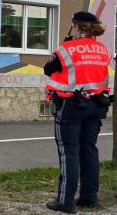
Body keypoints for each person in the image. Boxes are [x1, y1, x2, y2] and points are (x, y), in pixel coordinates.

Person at [44, 11, 112, 214]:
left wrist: (64, 45)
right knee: (89, 149)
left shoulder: (66, 49)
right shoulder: (102, 49)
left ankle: (65, 201)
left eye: (73, 25)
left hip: (71, 106)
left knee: (69, 152)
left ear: (78, 27)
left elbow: (48, 69)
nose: (72, 29)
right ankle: (89, 198)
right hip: (97, 105)